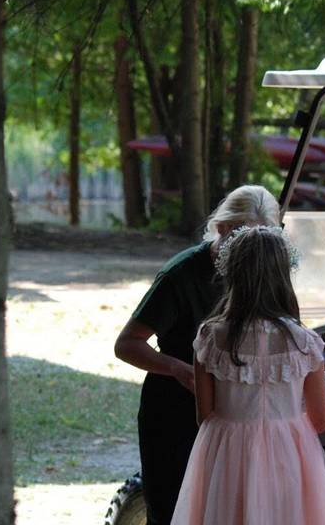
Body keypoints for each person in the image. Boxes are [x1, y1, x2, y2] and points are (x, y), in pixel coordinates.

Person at [114, 185, 280, 525]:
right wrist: (178, 369)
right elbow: (127, 344)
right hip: (176, 412)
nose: (250, 253)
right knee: (175, 508)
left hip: (235, 417)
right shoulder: (181, 275)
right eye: (241, 240)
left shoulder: (260, 271)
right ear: (221, 228)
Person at [170, 226, 325, 525]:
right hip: (289, 455)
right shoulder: (303, 342)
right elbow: (320, 421)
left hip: (227, 453)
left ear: (233, 274)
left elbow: (205, 414)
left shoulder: (211, 337)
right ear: (283, 275)